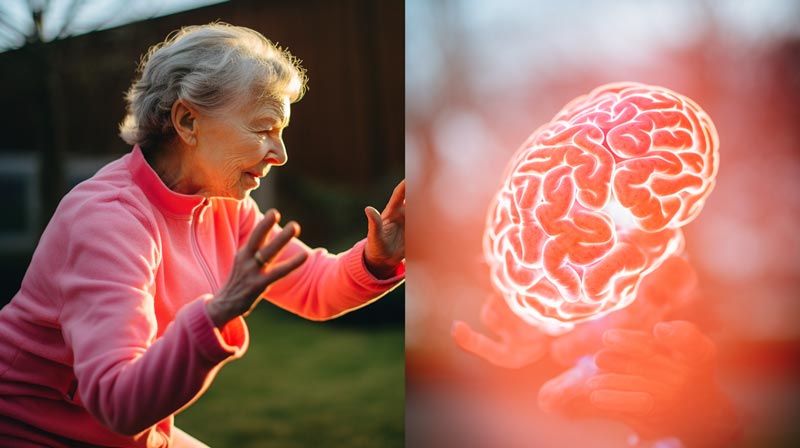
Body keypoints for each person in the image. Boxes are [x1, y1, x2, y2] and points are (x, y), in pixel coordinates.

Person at [0, 23, 405, 447]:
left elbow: (313, 286)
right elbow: (117, 402)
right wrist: (217, 313)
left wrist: (377, 259)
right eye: (264, 129)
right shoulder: (108, 220)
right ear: (187, 120)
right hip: (34, 430)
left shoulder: (225, 207)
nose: (280, 153)